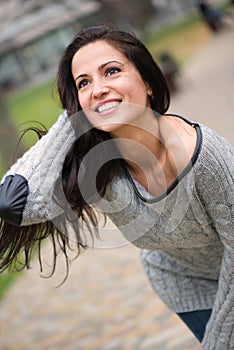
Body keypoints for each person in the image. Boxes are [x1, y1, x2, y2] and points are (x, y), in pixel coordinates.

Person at [0, 24, 233, 349]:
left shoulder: (202, 157)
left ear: (149, 83)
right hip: (183, 281)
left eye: (111, 71)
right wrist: (71, 122)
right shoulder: (99, 169)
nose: (98, 88)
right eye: (84, 82)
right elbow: (15, 203)